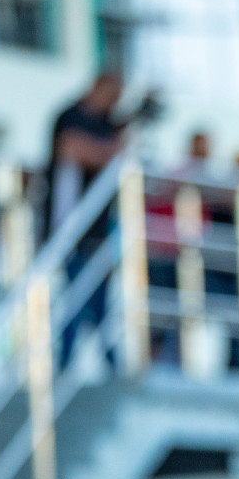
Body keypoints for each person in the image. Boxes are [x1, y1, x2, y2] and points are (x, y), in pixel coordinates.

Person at [43, 71, 159, 371]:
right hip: (70, 229)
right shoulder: (70, 116)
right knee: (76, 299)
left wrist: (136, 118)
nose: (114, 101)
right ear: (99, 87)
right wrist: (114, 150)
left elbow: (116, 146)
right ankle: (70, 367)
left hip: (99, 229)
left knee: (97, 303)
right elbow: (79, 151)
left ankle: (103, 366)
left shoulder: (106, 123)